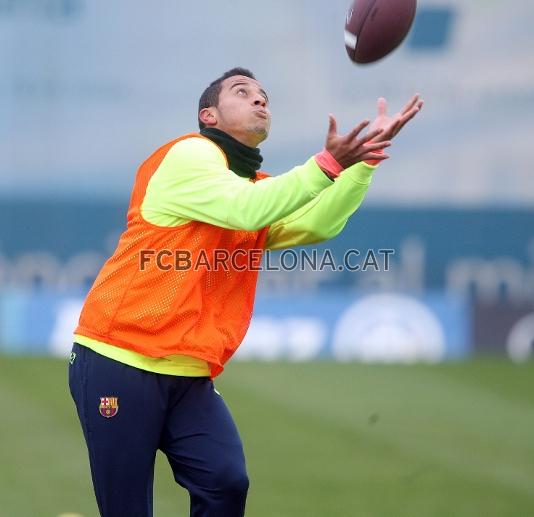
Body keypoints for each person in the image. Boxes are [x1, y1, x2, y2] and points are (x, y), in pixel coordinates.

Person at [68, 67, 423, 517]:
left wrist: (360, 165)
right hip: (116, 358)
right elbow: (248, 210)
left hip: (187, 372)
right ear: (209, 115)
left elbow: (315, 222)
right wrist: (328, 165)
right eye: (243, 92)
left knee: (225, 482)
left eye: (263, 96)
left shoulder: (252, 186)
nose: (260, 100)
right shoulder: (189, 154)